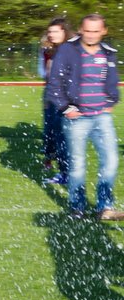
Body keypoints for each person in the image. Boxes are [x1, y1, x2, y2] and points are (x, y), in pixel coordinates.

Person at [47, 14, 122, 220]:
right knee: (78, 164)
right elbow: (54, 84)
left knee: (111, 161)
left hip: (102, 118)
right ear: (81, 29)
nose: (91, 35)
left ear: (103, 31)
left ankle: (104, 207)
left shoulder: (108, 53)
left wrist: (111, 101)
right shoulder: (67, 50)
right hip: (77, 118)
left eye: (96, 31)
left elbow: (112, 81)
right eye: (87, 31)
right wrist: (65, 108)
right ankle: (77, 207)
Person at [39, 18, 71, 185]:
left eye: (55, 31)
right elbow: (48, 75)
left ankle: (68, 174)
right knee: (55, 134)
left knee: (64, 138)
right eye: (49, 32)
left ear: (65, 32)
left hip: (67, 100)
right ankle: (64, 172)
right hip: (53, 97)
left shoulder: (71, 50)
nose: (51, 35)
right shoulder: (52, 51)